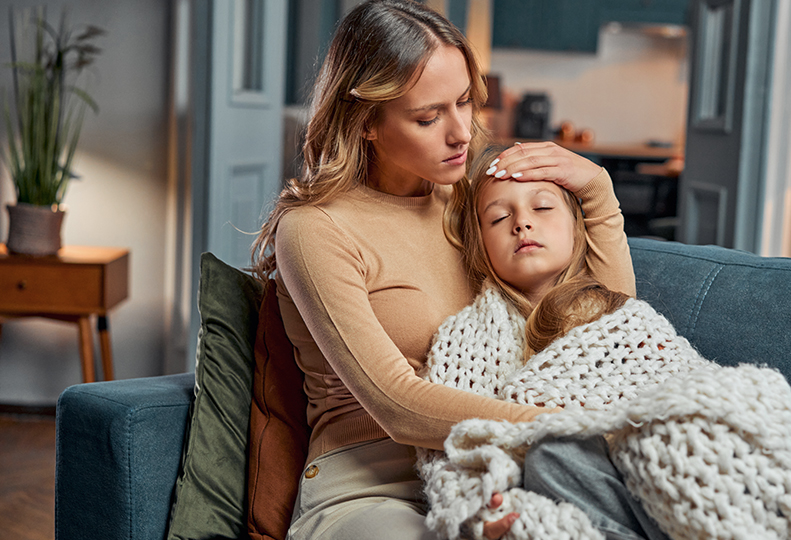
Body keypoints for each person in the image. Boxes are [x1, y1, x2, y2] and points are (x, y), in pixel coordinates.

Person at [249, 1, 635, 539]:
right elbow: (396, 405)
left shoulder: (472, 203)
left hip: (497, 470)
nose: (461, 134)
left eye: (464, 103)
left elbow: (608, 332)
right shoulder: (315, 230)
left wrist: (599, 193)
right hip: (371, 488)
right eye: (429, 117)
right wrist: (570, 428)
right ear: (365, 123)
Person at [416, 149, 791, 540]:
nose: (522, 223)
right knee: (551, 456)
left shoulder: (614, 308)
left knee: (674, 438)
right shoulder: (464, 340)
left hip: (656, 470)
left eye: (543, 208)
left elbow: (682, 381)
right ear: (480, 246)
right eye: (499, 217)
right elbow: (451, 452)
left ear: (576, 229)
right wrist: (477, 513)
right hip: (585, 487)